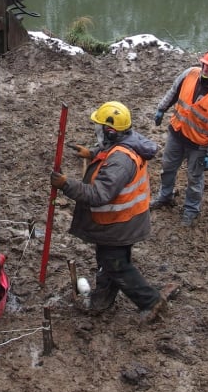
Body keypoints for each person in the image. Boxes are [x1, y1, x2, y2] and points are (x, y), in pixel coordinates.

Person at [49, 101, 168, 323]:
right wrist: (92, 152)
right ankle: (101, 301)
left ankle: (151, 301)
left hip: (120, 224)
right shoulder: (125, 141)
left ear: (111, 131)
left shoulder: (120, 161)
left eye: (100, 127)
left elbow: (98, 194)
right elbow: (107, 151)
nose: (97, 131)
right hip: (123, 221)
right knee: (109, 261)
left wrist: (66, 184)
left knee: (116, 264)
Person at [151, 46, 208, 227]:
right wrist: (161, 108)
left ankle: (191, 209)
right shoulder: (190, 74)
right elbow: (174, 91)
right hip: (177, 133)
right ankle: (165, 196)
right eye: (204, 64)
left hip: (198, 145)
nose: (205, 69)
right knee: (167, 167)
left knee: (194, 178)